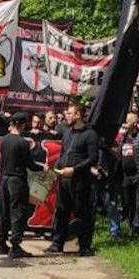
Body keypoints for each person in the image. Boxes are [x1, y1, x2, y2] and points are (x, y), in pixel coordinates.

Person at [49, 101, 100, 255]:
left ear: (78, 115)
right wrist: (55, 170)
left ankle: (84, 246)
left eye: (70, 113)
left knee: (83, 213)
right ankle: (57, 243)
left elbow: (92, 158)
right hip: (64, 179)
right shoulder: (67, 132)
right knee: (61, 211)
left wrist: (74, 169)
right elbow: (63, 153)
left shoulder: (90, 134)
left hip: (81, 181)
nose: (67, 116)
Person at [0, 112, 39, 258]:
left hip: (4, 179)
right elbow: (30, 165)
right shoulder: (22, 143)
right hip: (17, 180)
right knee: (17, 212)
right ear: (22, 124)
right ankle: (15, 245)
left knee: (3, 211)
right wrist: (42, 168)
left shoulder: (4, 140)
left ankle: (1, 243)